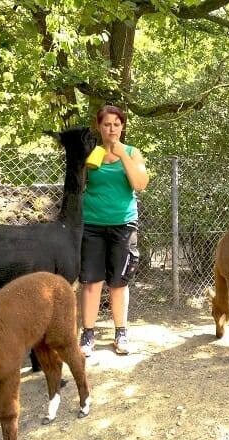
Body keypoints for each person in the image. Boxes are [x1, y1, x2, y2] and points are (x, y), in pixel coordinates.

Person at [79, 105, 149, 356]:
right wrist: (87, 161)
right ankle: (87, 334)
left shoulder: (132, 152)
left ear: (122, 127)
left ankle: (121, 332)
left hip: (123, 224)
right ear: (99, 126)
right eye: (107, 124)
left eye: (116, 124)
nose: (112, 129)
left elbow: (140, 184)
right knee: (90, 282)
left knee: (118, 283)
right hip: (92, 225)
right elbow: (77, 185)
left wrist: (123, 155)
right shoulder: (93, 153)